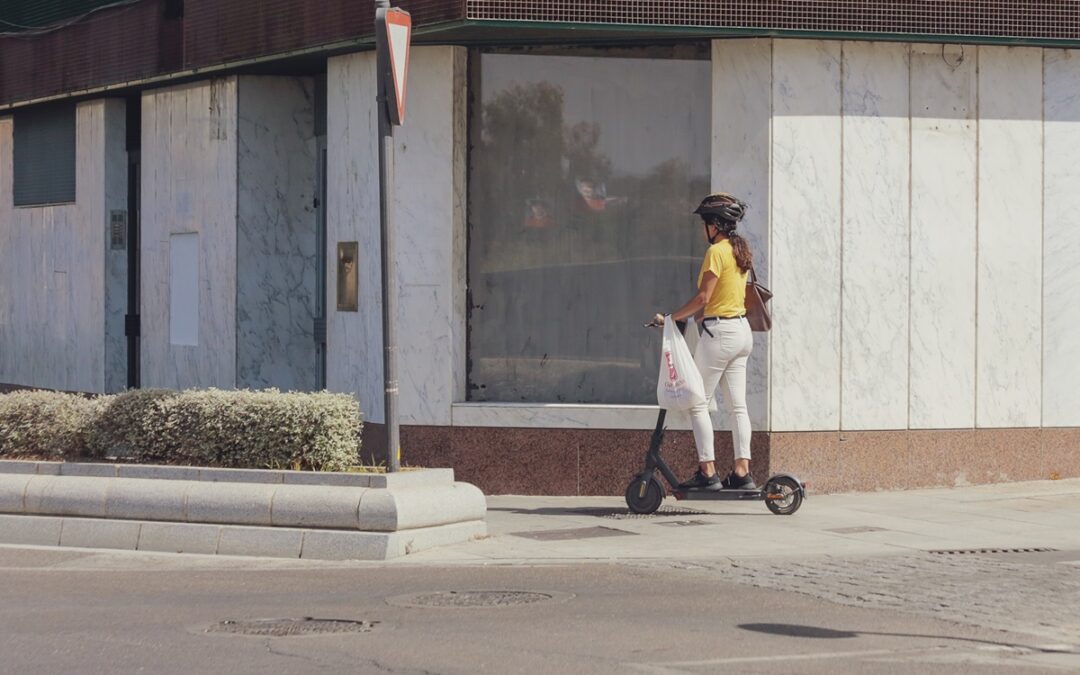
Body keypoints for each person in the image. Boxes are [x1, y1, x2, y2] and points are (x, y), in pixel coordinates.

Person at [651, 193, 755, 490]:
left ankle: (707, 472)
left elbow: (704, 297)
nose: (703, 229)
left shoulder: (717, 252)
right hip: (741, 332)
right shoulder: (741, 249)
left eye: (705, 223)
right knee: (738, 408)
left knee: (697, 402)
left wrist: (672, 317)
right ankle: (741, 472)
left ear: (715, 224)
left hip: (719, 334)